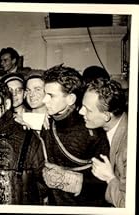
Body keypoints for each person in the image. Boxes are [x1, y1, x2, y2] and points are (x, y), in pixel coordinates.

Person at [38, 65, 110, 206]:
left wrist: (75, 181)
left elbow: (108, 183)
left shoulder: (92, 131)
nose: (44, 100)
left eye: (51, 96)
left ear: (70, 99)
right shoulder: (47, 124)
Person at [79, 78, 127, 207]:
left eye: (88, 110)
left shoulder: (128, 147)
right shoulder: (109, 125)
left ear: (106, 116)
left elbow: (126, 204)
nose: (81, 112)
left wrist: (109, 178)